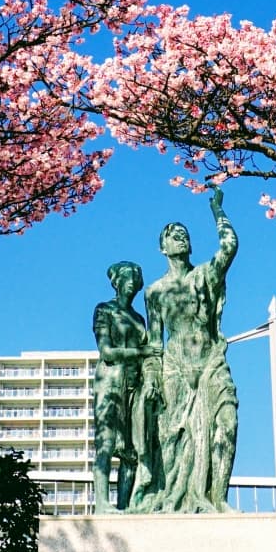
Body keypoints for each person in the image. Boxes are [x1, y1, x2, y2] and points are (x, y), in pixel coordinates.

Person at [143, 189, 238, 513]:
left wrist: (217, 211)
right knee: (171, 440)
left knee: (226, 423)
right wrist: (153, 376)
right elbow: (154, 341)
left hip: (210, 360)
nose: (180, 238)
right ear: (162, 248)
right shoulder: (154, 292)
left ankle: (218, 497)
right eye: (173, 236)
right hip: (174, 367)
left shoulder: (205, 275)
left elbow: (229, 246)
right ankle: (173, 496)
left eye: (184, 235)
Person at [91, 260, 159, 512]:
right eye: (126, 275)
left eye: (135, 276)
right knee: (106, 443)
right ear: (116, 281)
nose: (131, 280)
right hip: (110, 381)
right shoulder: (104, 310)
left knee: (131, 450)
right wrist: (142, 350)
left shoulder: (139, 317)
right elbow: (107, 352)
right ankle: (101, 503)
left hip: (135, 385)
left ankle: (124, 505)